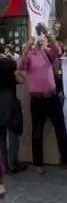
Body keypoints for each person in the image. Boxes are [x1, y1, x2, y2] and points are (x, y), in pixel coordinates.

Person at [19, 24, 67, 174]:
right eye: (35, 42)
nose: (38, 44)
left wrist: (47, 34)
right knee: (37, 132)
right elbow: (21, 65)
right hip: (37, 99)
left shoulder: (46, 53)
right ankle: (38, 164)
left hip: (51, 97)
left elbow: (56, 50)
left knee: (61, 129)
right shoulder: (29, 57)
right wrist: (27, 46)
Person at [0, 45, 24, 175]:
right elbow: (20, 79)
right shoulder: (10, 63)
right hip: (9, 99)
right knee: (14, 131)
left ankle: (4, 164)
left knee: (1, 137)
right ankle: (13, 163)